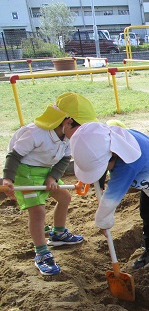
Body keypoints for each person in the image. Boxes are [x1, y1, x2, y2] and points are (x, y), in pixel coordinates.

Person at [70, 122, 149, 289]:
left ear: (113, 155)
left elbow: (111, 198)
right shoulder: (110, 144)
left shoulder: (128, 163)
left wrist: (102, 221)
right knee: (147, 214)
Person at [2, 92, 96, 276]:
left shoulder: (69, 137)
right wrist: (8, 180)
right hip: (25, 172)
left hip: (45, 170)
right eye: (81, 127)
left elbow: (64, 159)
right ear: (68, 122)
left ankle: (58, 233)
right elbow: (14, 156)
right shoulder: (35, 133)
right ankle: (42, 253)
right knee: (37, 211)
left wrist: (52, 177)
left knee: (65, 197)